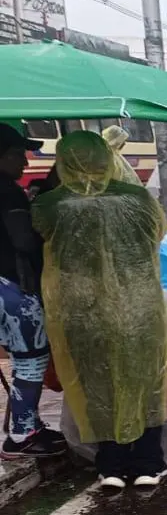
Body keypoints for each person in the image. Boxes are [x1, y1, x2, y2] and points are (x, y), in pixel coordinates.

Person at [32, 131, 167, 487]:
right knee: (145, 382)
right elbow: (159, 233)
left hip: (82, 310)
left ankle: (111, 466)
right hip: (138, 306)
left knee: (97, 384)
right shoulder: (136, 198)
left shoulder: (50, 205)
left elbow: (40, 238)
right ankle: (148, 463)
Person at [0, 125, 65, 459]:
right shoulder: (7, 192)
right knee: (30, 362)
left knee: (23, 359)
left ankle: (29, 425)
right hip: (13, 288)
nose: (25, 163)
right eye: (17, 155)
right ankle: (22, 435)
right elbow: (24, 241)